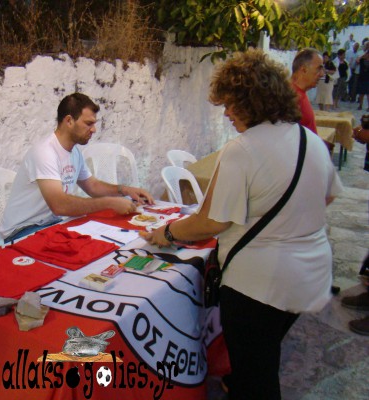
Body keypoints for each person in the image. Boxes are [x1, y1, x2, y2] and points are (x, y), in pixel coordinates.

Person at [141, 49, 343, 400]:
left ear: (253, 101)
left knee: (256, 379)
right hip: (309, 275)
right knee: (262, 360)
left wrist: (167, 232)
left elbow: (212, 222)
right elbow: (327, 196)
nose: (227, 113)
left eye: (231, 103)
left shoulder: (243, 149)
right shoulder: (309, 140)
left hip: (260, 286)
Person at [0, 92, 154, 242]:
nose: (94, 129)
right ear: (69, 121)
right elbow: (59, 205)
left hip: (52, 224)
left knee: (103, 241)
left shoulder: (74, 152)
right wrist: (110, 203)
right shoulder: (45, 152)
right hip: (23, 230)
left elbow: (92, 186)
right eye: (88, 123)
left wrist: (125, 190)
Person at [290, 48, 325, 134]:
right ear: (304, 69)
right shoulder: (291, 97)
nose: (322, 74)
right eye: (318, 69)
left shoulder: (299, 93)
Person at [356, 41, 369, 111]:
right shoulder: (362, 60)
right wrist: (362, 56)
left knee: (368, 94)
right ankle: (360, 105)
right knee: (361, 93)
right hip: (362, 78)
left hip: (368, 79)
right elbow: (357, 61)